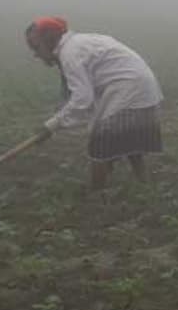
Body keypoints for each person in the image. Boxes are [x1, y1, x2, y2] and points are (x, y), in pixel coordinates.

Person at [25, 16, 164, 191]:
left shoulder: (69, 53)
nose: (36, 54)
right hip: (142, 89)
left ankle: (97, 193)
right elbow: (89, 95)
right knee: (129, 137)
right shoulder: (79, 43)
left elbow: (82, 98)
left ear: (49, 39)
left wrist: (52, 125)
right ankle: (143, 184)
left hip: (129, 91)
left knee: (100, 143)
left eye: (36, 47)